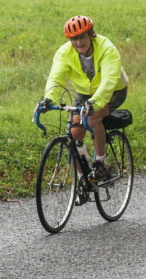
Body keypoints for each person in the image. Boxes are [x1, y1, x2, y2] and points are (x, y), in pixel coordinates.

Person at [38, 15, 128, 180]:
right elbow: (55, 78)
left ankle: (101, 164)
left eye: (81, 37)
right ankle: (82, 178)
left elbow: (109, 81)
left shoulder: (107, 48)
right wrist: (48, 99)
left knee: (92, 117)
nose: (78, 42)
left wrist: (95, 103)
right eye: (74, 39)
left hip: (114, 90)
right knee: (74, 132)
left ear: (90, 34)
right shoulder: (64, 52)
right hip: (85, 92)